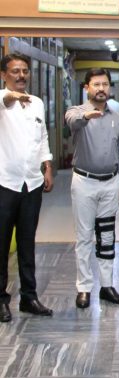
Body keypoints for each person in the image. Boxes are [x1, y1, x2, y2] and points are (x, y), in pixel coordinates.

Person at [65, 68, 119, 309]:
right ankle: (84, 288)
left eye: (105, 84)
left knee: (107, 236)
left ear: (109, 88)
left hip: (111, 183)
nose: (101, 88)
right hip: (84, 183)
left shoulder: (116, 117)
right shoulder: (76, 112)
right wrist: (86, 117)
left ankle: (106, 286)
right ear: (87, 88)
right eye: (96, 84)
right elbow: (71, 121)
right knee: (84, 237)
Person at [0, 53, 54, 321]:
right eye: (15, 71)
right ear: (4, 75)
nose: (21, 75)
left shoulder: (37, 103)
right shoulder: (2, 100)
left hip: (32, 183)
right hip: (5, 183)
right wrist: (9, 97)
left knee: (27, 243)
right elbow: (4, 99)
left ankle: (29, 298)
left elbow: (42, 136)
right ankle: (1, 299)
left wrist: (48, 166)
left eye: (24, 71)